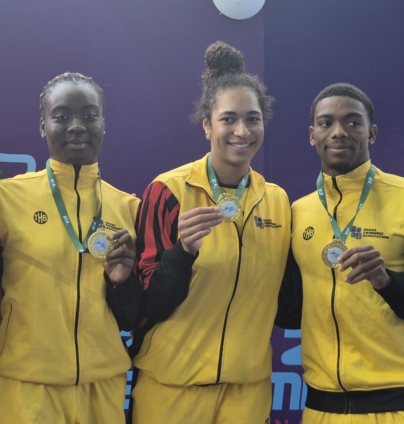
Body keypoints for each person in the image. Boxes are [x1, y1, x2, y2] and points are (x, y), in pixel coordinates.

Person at [127, 41, 291, 423]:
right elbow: (145, 306)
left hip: (247, 396)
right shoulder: (168, 191)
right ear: (206, 125)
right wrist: (181, 253)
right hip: (172, 391)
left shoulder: (278, 201)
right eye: (228, 119)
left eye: (252, 119)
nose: (242, 131)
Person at [0, 72, 141, 424]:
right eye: (61, 116)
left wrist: (122, 284)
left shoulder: (129, 208)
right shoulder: (6, 198)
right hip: (25, 387)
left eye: (89, 115)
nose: (76, 126)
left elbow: (136, 314)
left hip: (103, 386)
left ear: (104, 124)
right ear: (43, 126)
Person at [276, 83, 404, 422]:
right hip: (321, 408)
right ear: (312, 135)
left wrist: (387, 281)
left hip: (394, 405)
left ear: (372, 133)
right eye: (326, 123)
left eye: (353, 122)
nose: (338, 132)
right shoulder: (297, 212)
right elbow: (289, 313)